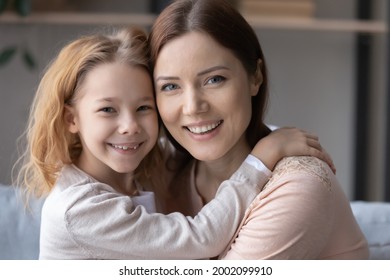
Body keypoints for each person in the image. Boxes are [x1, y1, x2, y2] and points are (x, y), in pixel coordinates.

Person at [14, 26, 331, 259]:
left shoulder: (140, 167)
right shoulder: (79, 209)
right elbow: (200, 238)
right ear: (72, 119)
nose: (130, 127)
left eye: (143, 108)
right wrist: (265, 155)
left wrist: (274, 136)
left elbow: (215, 135)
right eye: (107, 110)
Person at [148, 0, 369, 259]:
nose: (193, 107)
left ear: (256, 77)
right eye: (170, 87)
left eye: (214, 79)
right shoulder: (160, 170)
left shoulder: (298, 186)